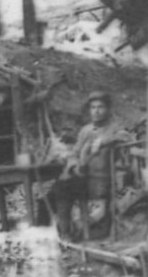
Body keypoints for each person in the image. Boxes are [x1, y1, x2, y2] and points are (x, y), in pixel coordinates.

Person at [50, 91, 129, 238]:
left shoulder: (114, 127)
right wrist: (74, 166)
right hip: (83, 177)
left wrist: (104, 140)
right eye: (93, 108)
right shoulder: (85, 130)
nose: (96, 111)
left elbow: (126, 136)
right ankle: (66, 232)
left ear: (108, 109)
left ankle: (76, 230)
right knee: (60, 189)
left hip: (101, 181)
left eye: (100, 107)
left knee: (62, 188)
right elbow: (74, 153)